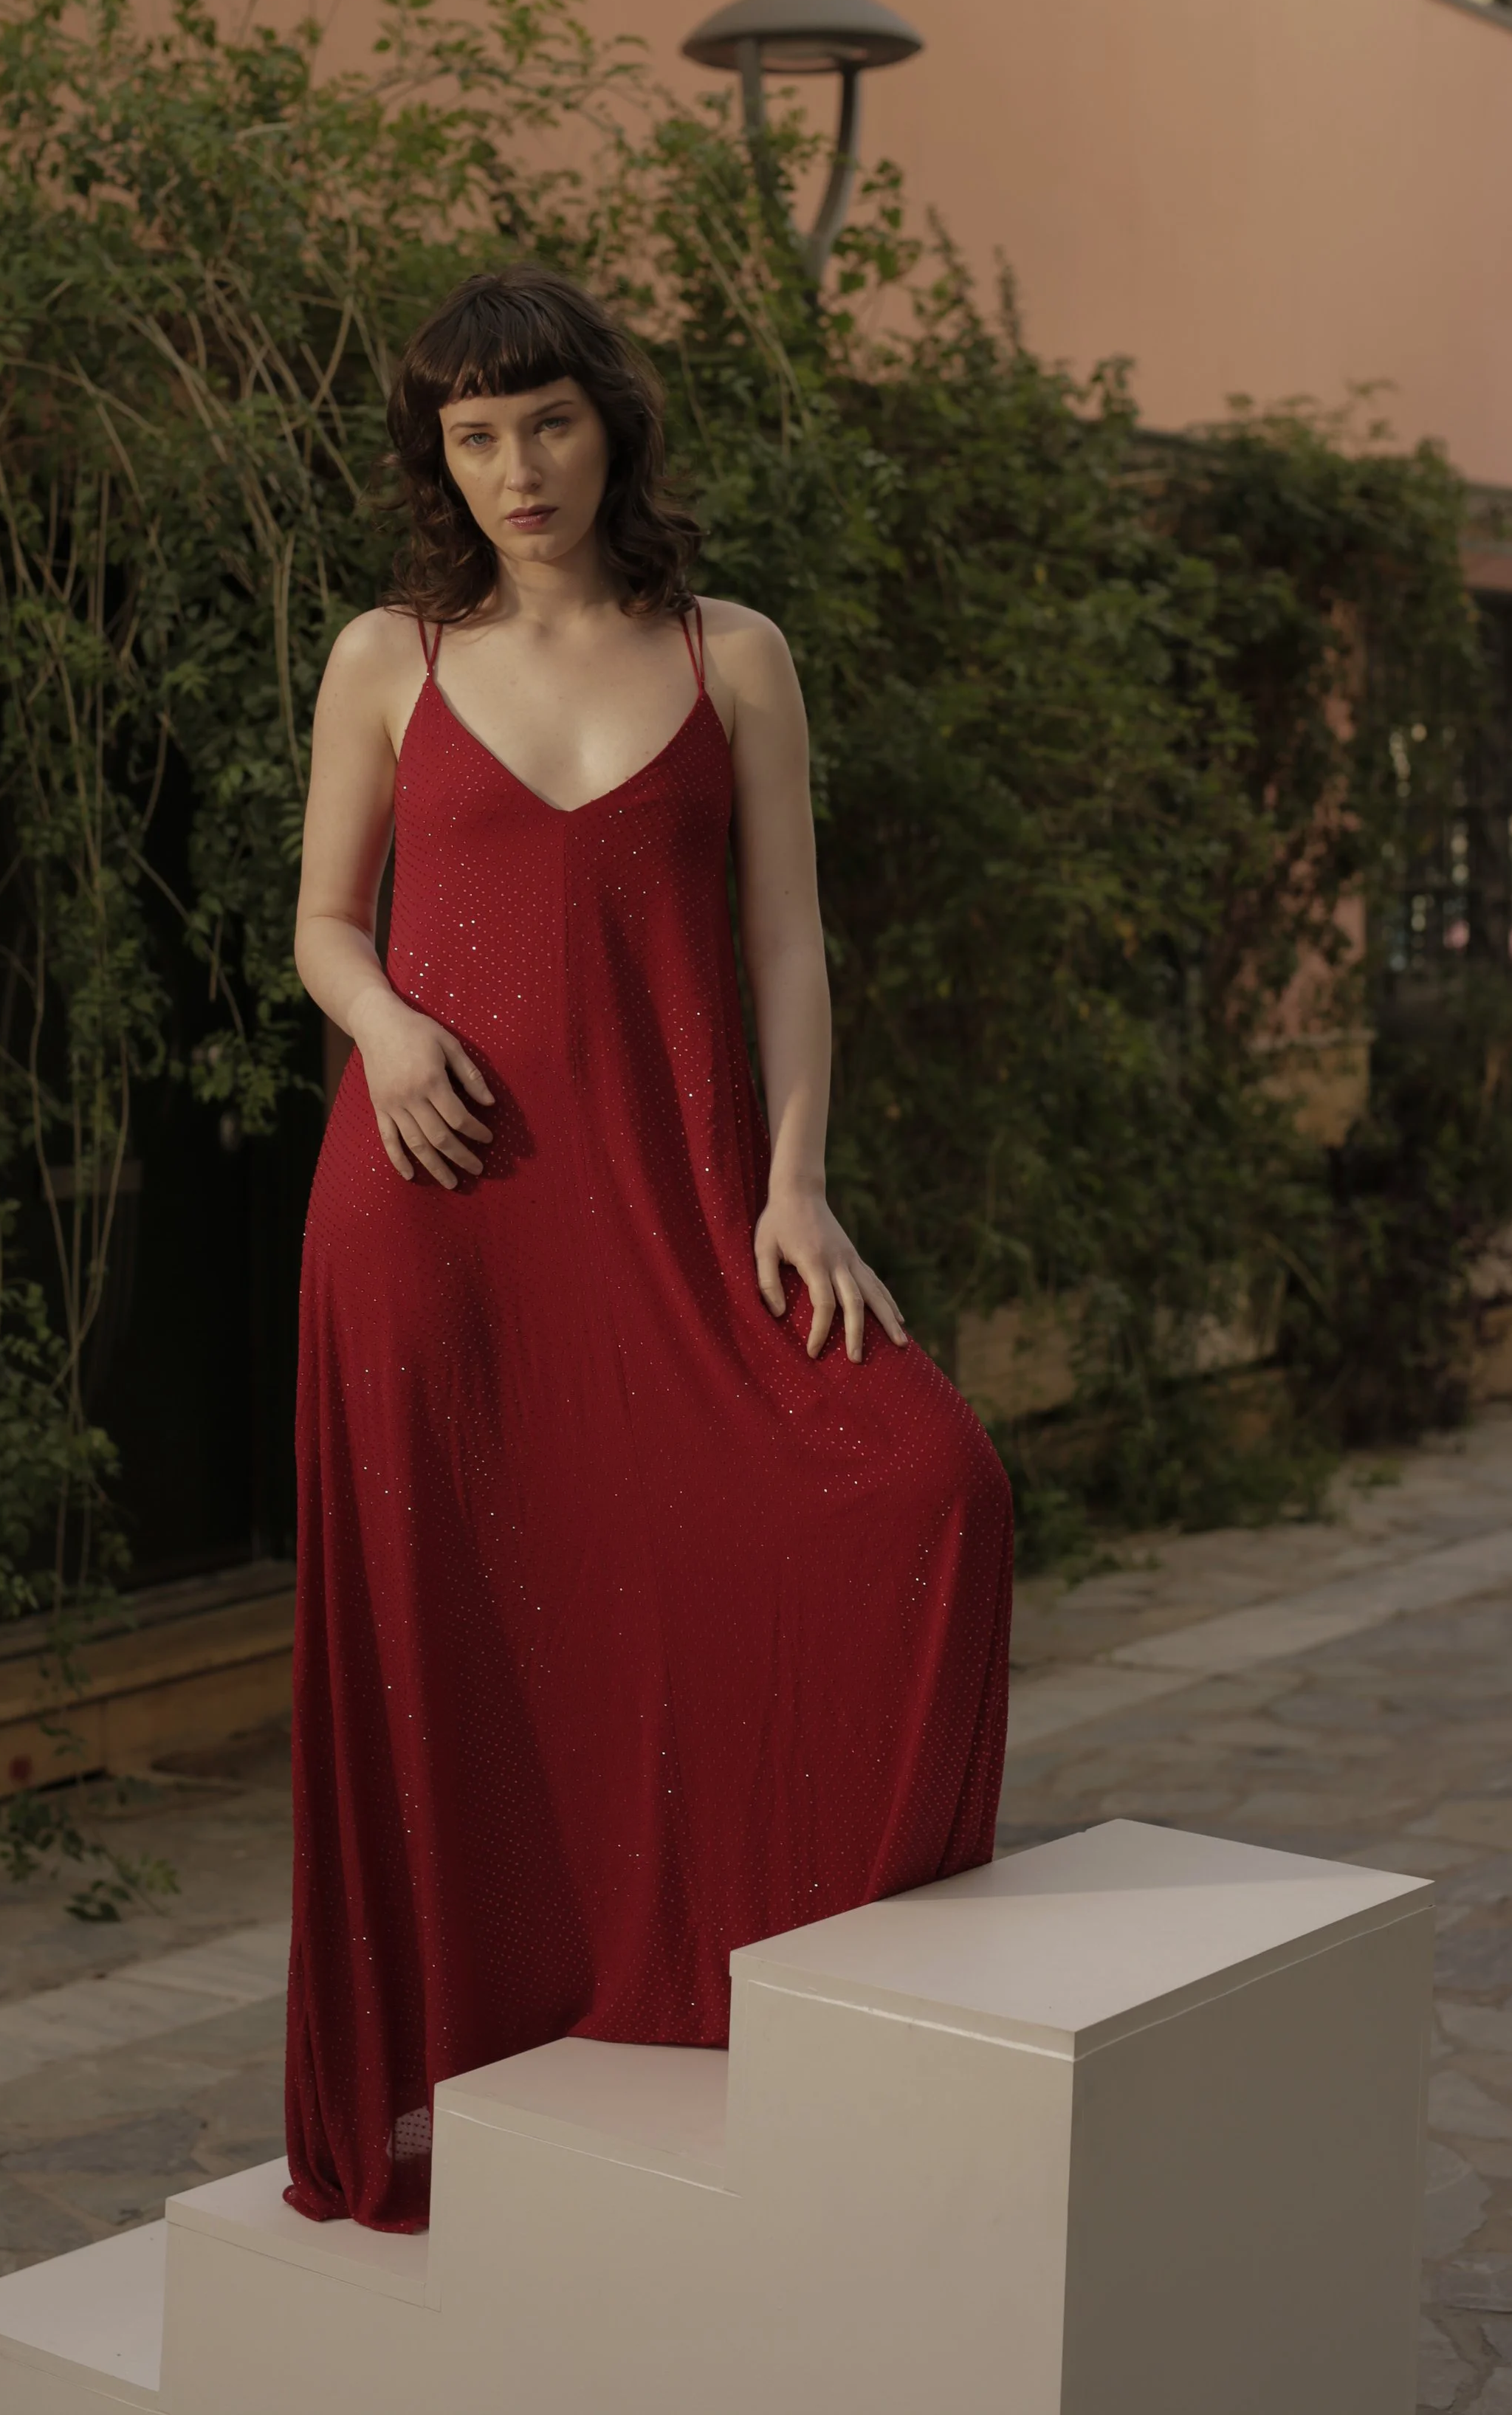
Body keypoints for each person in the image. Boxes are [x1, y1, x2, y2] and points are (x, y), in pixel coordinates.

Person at [286, 264, 1012, 2233]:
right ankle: (478, 2052)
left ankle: (772, 1989)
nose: (517, 469)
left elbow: (787, 938)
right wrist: (385, 1024)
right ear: (440, 458)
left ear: (611, 426)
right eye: (474, 436)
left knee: (926, 1482)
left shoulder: (732, 654)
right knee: (460, 1633)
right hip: (429, 1210)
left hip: (681, 1194)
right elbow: (323, 922)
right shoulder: (387, 656)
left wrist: (797, 1181)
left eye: (548, 423)